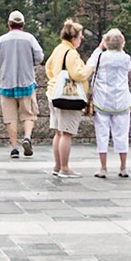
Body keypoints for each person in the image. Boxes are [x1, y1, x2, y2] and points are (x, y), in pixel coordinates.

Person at [0, 10, 44, 159]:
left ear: (9, 24)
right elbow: (40, 56)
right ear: (23, 24)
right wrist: (30, 62)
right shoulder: (29, 38)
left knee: (10, 117)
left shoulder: (2, 40)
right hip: (26, 82)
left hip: (7, 83)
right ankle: (27, 137)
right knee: (28, 114)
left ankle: (14, 147)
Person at [45, 19, 90, 178]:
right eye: (80, 36)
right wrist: (88, 69)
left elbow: (48, 67)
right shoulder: (71, 53)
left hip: (54, 94)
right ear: (74, 38)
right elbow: (78, 74)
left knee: (58, 132)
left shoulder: (58, 49)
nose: (81, 39)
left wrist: (55, 80)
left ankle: (57, 166)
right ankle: (65, 167)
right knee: (67, 133)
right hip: (68, 97)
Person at [88, 29, 131, 178]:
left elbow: (89, 64)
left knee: (102, 134)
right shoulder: (125, 58)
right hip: (121, 100)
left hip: (102, 99)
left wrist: (100, 47)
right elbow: (130, 68)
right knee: (122, 134)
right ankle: (123, 167)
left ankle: (103, 167)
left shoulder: (101, 56)